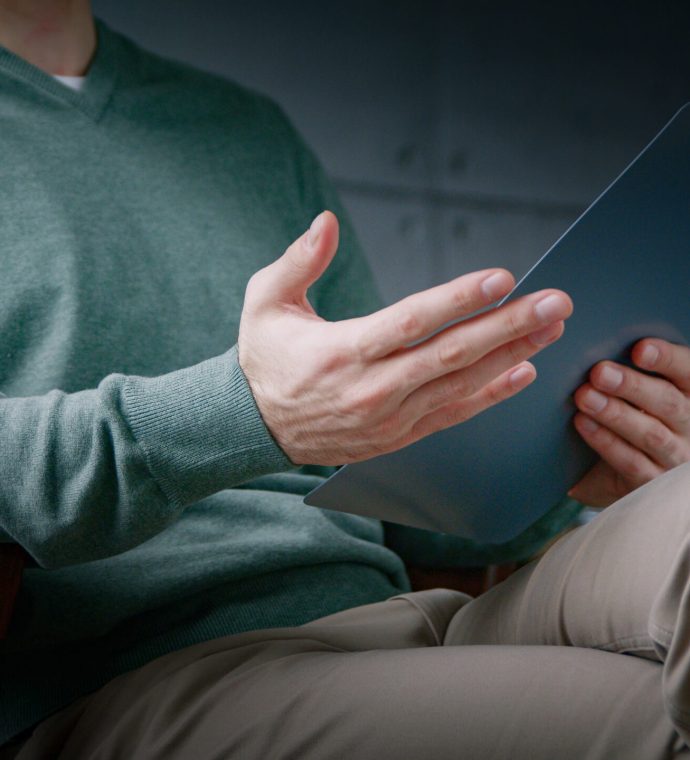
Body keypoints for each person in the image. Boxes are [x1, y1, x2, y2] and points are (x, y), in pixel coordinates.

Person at [0, 1, 689, 758]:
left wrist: (567, 459)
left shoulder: (241, 129)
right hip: (139, 680)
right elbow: (266, 415)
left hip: (387, 618)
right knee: (647, 720)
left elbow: (387, 478)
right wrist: (244, 413)